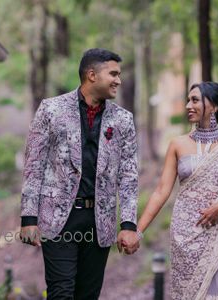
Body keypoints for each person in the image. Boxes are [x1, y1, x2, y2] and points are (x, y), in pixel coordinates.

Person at [19, 48, 141, 299]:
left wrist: (128, 225)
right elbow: (34, 165)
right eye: (113, 73)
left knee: (87, 295)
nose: (118, 80)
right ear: (92, 75)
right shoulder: (50, 110)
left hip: (100, 222)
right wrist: (28, 217)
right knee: (61, 293)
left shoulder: (123, 120)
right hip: (58, 220)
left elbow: (128, 175)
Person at [136, 82, 218, 299]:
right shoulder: (178, 144)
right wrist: (138, 231)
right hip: (185, 236)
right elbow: (161, 191)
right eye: (188, 100)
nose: (188, 105)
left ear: (213, 107)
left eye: (194, 100)